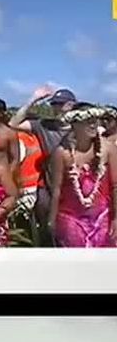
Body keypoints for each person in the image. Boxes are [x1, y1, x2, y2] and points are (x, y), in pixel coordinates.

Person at [8, 86, 76, 245]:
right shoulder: (44, 125)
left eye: (61, 104)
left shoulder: (81, 128)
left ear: (72, 105)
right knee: (47, 228)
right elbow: (12, 124)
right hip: (48, 186)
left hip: (73, 186)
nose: (57, 108)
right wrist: (33, 99)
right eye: (54, 104)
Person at [48, 103, 117, 247]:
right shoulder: (62, 153)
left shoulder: (108, 148)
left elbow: (115, 186)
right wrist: (52, 220)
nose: (93, 125)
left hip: (103, 218)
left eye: (95, 120)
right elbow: (56, 190)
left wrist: (116, 218)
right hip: (71, 219)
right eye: (87, 121)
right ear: (74, 125)